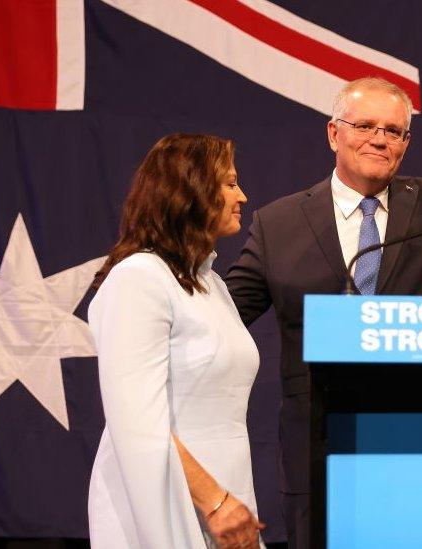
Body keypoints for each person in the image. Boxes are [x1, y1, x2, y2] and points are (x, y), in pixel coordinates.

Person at [226, 60, 422, 548]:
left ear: (406, 144)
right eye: (366, 126)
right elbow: (226, 317)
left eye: (394, 131)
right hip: (318, 441)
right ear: (334, 134)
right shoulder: (278, 223)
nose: (380, 139)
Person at [88, 134, 266, 548]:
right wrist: (214, 502)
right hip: (163, 502)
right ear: (190, 190)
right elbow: (135, 419)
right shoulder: (139, 278)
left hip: (226, 500)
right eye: (229, 183)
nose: (242, 195)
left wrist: (226, 502)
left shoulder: (213, 285)